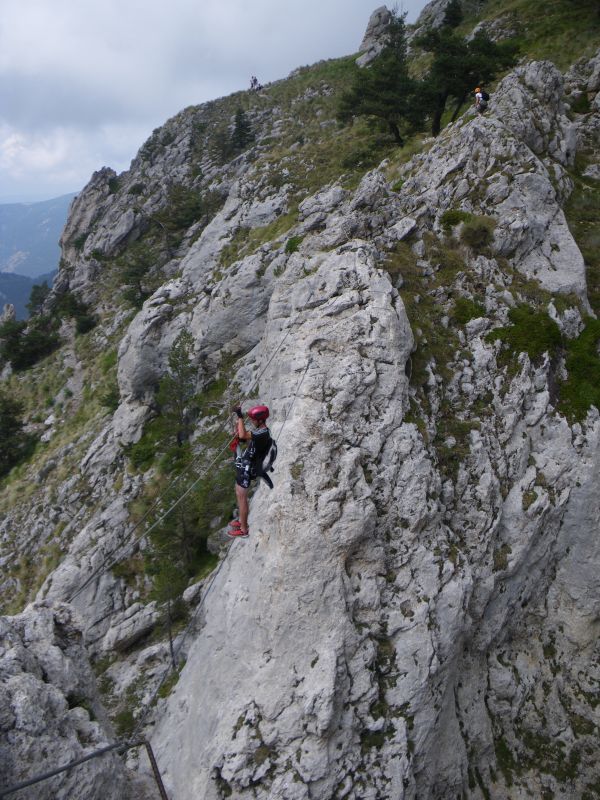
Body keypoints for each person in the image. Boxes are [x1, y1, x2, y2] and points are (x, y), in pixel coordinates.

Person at [228, 404, 273, 538]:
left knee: (242, 498)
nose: (252, 421)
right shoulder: (260, 431)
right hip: (247, 465)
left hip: (249, 468)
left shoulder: (263, 433)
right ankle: (241, 521)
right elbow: (243, 437)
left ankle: (243, 529)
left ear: (260, 420)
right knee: (239, 493)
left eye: (253, 419)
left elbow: (243, 434)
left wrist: (240, 415)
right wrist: (238, 431)